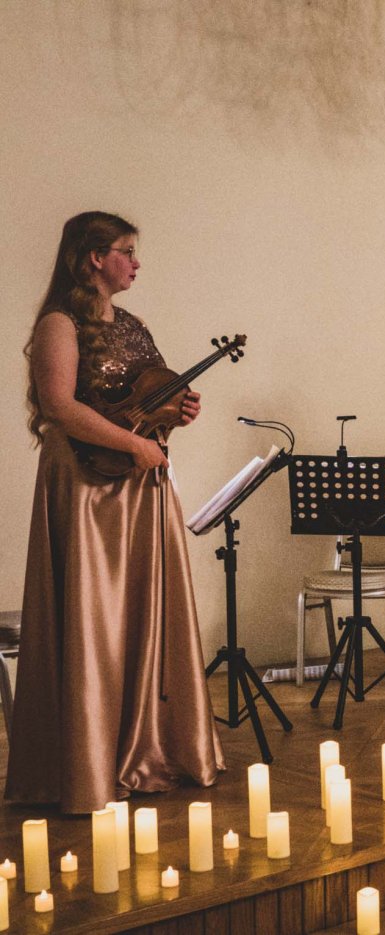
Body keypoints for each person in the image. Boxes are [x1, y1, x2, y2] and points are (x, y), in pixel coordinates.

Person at [7, 212, 224, 814]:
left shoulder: (133, 325)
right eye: (126, 251)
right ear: (94, 257)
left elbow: (146, 400)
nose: (136, 262)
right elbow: (59, 406)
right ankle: (88, 762)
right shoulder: (60, 323)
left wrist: (177, 413)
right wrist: (133, 444)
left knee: (140, 611)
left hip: (137, 479)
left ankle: (148, 749)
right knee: (93, 614)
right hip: (86, 483)